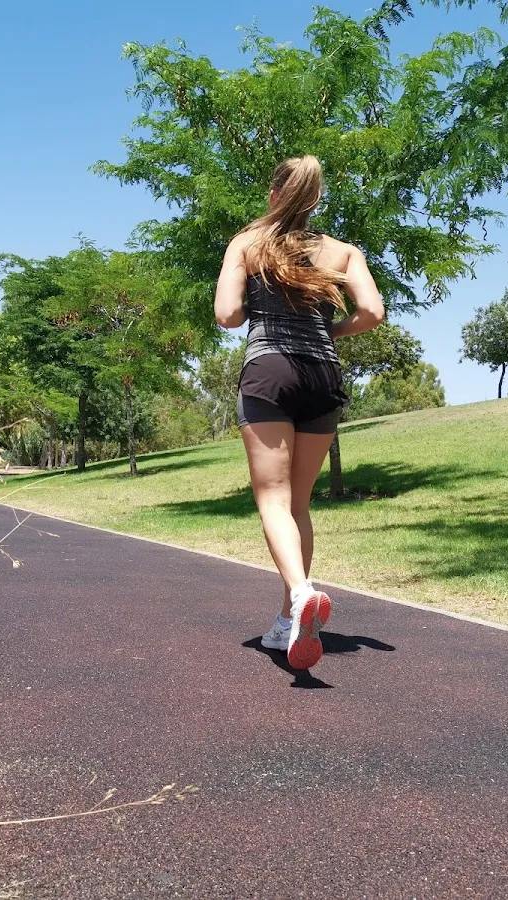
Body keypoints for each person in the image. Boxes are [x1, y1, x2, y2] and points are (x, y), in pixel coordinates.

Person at [214, 155, 385, 670]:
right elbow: (372, 313)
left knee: (273, 497)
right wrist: (329, 331)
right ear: (314, 200)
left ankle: (302, 590)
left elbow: (227, 315)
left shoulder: (248, 243)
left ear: (274, 196)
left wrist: (256, 299)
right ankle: (288, 621)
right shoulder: (343, 251)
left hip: (270, 370)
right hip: (322, 375)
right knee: (299, 504)